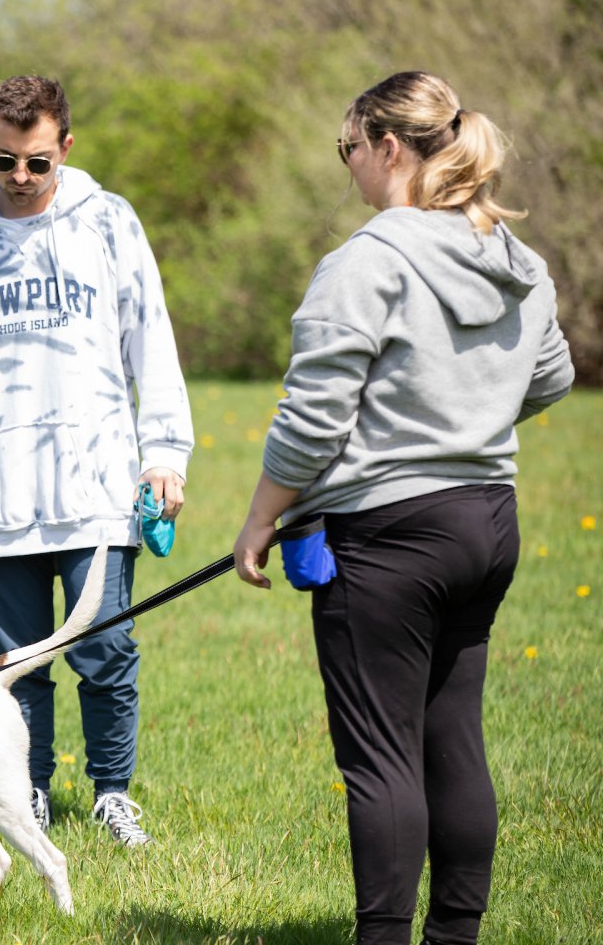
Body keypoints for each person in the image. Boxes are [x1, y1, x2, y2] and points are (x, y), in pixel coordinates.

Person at [232, 71, 574, 945]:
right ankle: (454, 937)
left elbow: (312, 422)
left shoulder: (368, 260)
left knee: (382, 757)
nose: (346, 167)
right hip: (487, 520)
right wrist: (464, 419)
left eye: (346, 149)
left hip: (389, 539)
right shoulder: (517, 260)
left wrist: (262, 516)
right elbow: (553, 376)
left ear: (386, 147)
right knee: (453, 739)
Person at [0, 75, 194, 845]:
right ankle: (28, 791)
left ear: (66, 146)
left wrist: (164, 452)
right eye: (4, 163)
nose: (22, 179)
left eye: (37, 161)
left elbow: (150, 339)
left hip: (96, 479)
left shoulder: (110, 224)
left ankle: (111, 793)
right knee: (19, 663)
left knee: (105, 651)